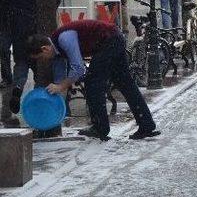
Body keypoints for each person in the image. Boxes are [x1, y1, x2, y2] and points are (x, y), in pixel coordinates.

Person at [26, 20, 160, 141]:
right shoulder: (57, 50)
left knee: (93, 84)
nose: (43, 61)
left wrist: (60, 86)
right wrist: (55, 91)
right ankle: (146, 124)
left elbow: (78, 69)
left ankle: (100, 128)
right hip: (112, 39)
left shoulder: (63, 38)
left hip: (109, 39)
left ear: (45, 48)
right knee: (125, 84)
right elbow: (60, 80)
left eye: (40, 57)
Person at [0, 0, 38, 113]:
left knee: (21, 59)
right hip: (35, 25)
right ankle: (39, 97)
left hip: (15, 25)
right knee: (39, 61)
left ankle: (17, 86)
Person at [0, 0, 16, 87]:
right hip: (7, 22)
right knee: (4, 50)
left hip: (12, 22)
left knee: (5, 50)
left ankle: (10, 78)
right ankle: (8, 78)